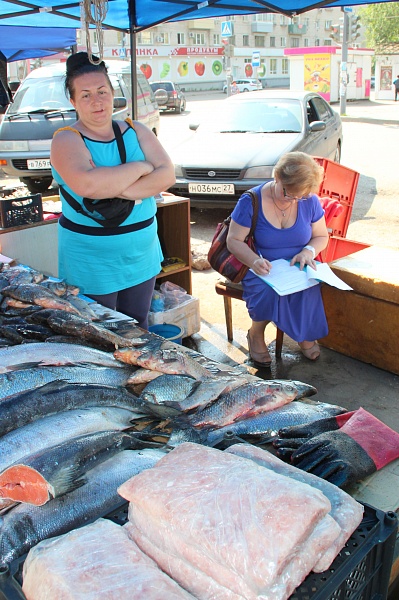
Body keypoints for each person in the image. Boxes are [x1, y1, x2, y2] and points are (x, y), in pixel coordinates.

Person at [51, 52, 175, 330]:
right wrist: (143, 166)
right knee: (100, 333)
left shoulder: (137, 129)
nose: (96, 101)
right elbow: (88, 184)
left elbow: (167, 174)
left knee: (138, 327)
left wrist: (116, 186)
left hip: (141, 252)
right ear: (73, 101)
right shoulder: (65, 140)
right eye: (85, 95)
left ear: (112, 93)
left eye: (102, 91)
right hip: (92, 259)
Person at [226, 151, 329, 366]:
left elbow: (321, 236)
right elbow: (234, 240)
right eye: (288, 193)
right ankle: (256, 333)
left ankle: (304, 334)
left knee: (310, 284)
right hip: (260, 265)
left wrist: (308, 251)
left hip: (297, 264)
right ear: (277, 177)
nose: (293, 200)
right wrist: (254, 260)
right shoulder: (251, 201)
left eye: (299, 196)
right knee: (267, 291)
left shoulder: (308, 200)